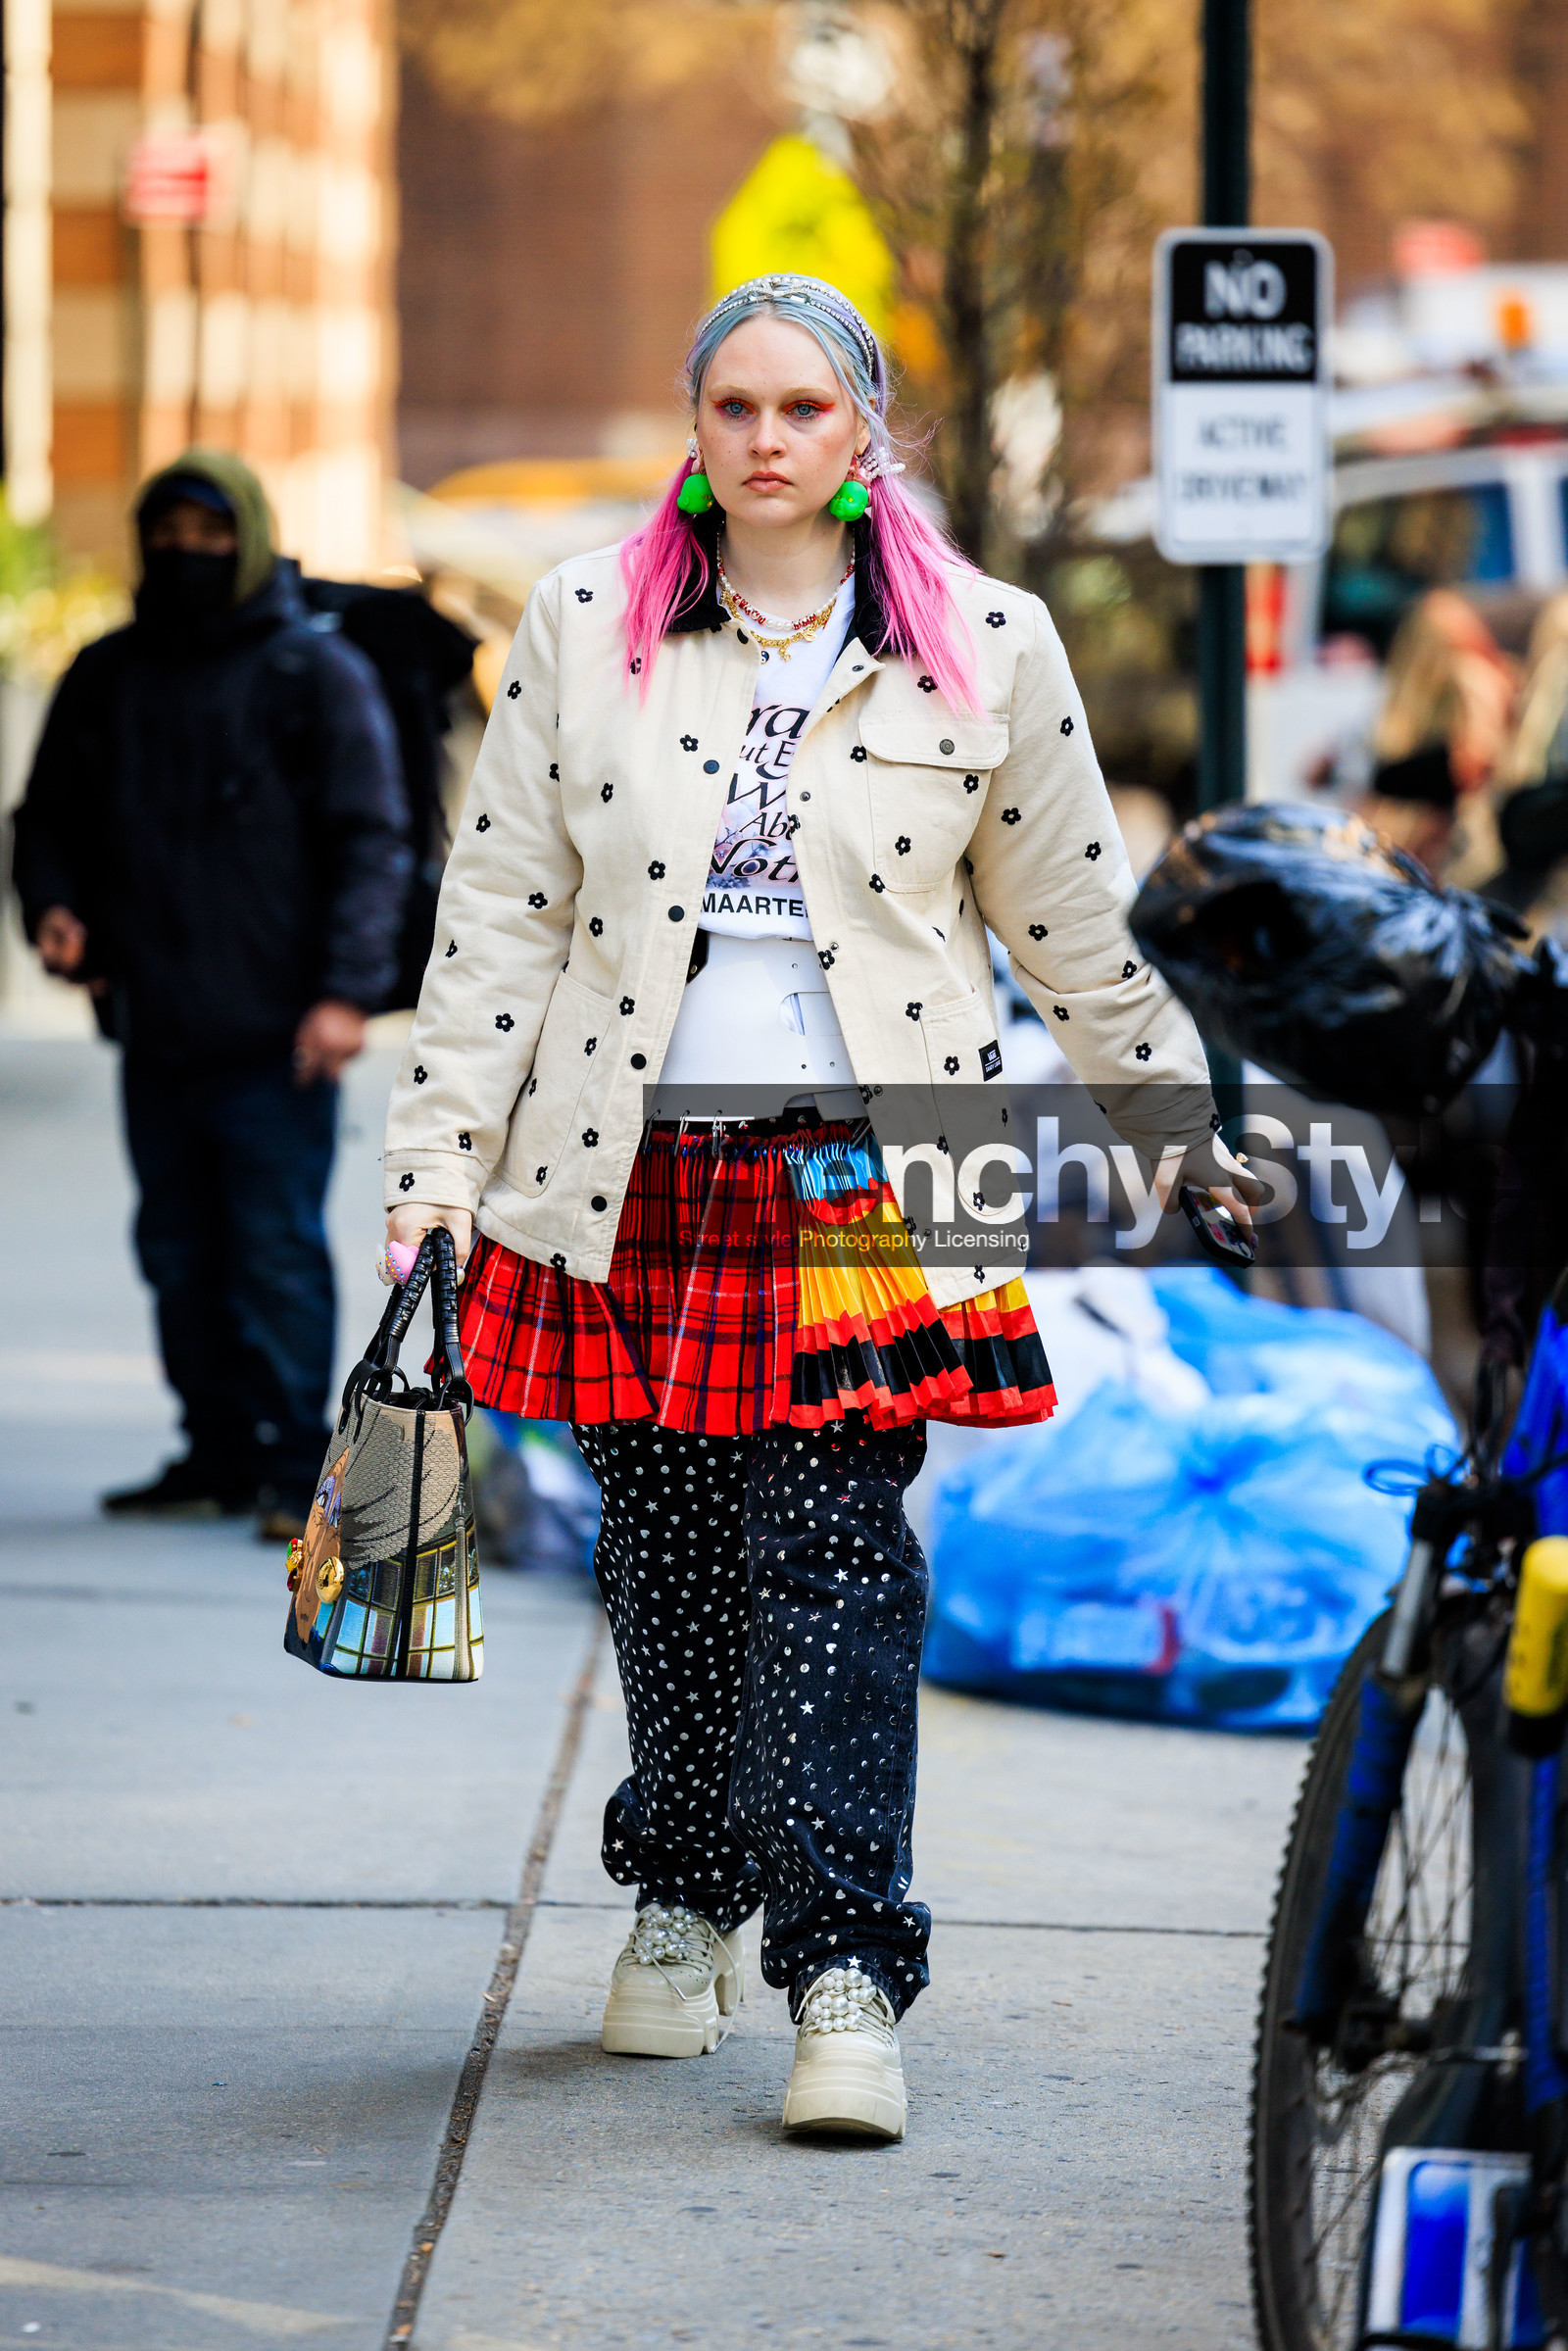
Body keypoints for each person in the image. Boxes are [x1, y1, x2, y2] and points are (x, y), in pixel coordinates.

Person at [381, 274, 1255, 2140]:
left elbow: (1076, 920)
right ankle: (688, 1887)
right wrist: (438, 1166)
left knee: (845, 1564)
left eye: (804, 407)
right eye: (733, 406)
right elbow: (503, 921)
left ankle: (848, 1959)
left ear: (866, 431)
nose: (767, 439)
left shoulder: (987, 644)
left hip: (879, 1165)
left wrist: (1176, 1118)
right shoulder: (582, 625)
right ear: (692, 426)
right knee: (669, 1557)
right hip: (632, 1168)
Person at [13, 450, 411, 1538]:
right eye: (168, 533)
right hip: (156, 1020)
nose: (187, 553)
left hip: (283, 1034)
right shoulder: (110, 671)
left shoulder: (311, 674)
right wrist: (51, 906)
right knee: (178, 1247)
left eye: (210, 533)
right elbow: (43, 816)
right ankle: (217, 1450)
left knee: (272, 1247)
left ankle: (293, 1466)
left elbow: (370, 842)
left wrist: (344, 995)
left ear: (247, 535)